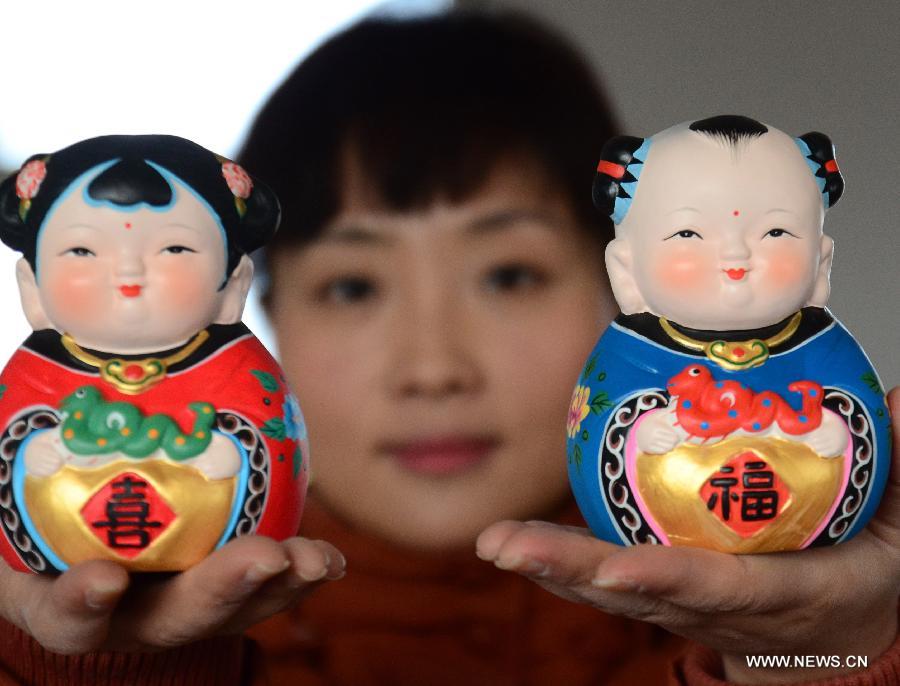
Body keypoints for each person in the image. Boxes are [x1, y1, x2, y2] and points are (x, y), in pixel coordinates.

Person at [0, 9, 898, 686]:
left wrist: (826, 659)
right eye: (352, 286)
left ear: (621, 289)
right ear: (252, 315)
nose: (434, 368)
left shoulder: (789, 606)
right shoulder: (57, 567)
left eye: (509, 275)